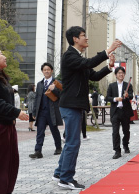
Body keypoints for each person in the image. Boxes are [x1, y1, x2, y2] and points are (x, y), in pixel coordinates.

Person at [53, 26, 120, 190]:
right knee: (73, 143)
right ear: (75, 39)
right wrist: (107, 51)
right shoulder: (70, 56)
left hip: (74, 105)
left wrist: (109, 67)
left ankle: (60, 173)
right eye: (84, 35)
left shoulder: (77, 58)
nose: (86, 38)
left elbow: (94, 75)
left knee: (71, 141)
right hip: (70, 105)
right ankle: (66, 178)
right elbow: (89, 63)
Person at [0, 46, 29, 194]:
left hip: (7, 128)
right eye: (0, 53)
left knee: (9, 165)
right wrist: (16, 112)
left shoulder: (1, 77)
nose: (4, 56)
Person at [29, 63, 63, 159]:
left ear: (51, 71)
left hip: (52, 111)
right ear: (42, 71)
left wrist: (54, 89)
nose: (46, 71)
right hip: (41, 112)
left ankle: (58, 147)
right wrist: (34, 112)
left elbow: (61, 95)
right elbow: (37, 99)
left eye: (48, 69)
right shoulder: (40, 84)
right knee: (40, 132)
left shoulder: (56, 83)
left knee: (54, 130)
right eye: (45, 70)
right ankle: (38, 151)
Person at [106, 66, 133, 159]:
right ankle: (117, 150)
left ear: (124, 75)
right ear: (116, 75)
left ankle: (125, 144)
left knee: (126, 131)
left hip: (125, 111)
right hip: (115, 111)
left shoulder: (128, 85)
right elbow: (107, 97)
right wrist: (115, 99)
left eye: (122, 73)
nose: (121, 74)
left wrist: (127, 95)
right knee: (115, 132)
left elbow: (131, 96)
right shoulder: (111, 85)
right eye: (119, 73)